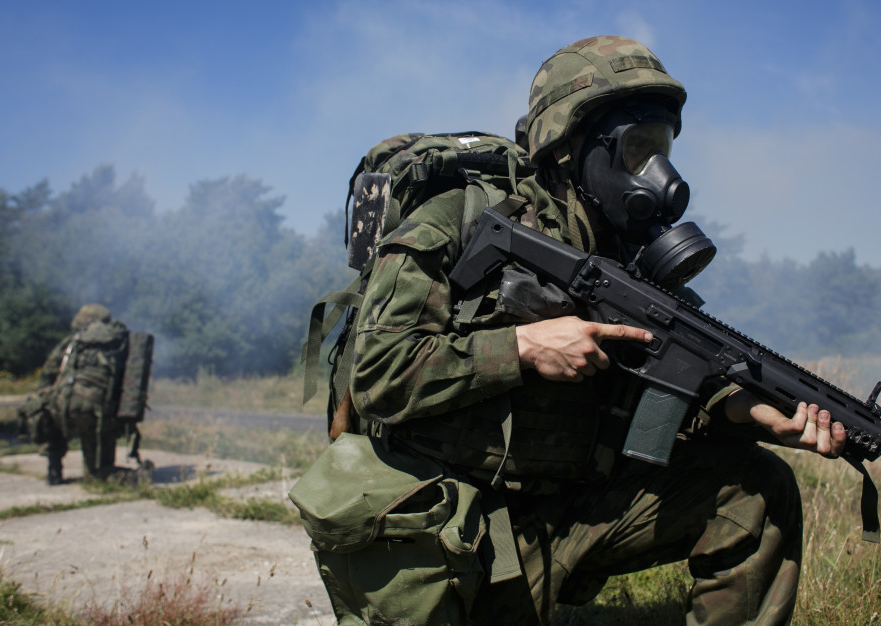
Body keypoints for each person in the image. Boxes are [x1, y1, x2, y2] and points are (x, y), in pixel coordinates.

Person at [318, 36, 846, 625]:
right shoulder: (460, 220)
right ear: (571, 150)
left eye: (663, 149)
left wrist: (745, 411)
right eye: (636, 149)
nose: (662, 176)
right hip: (449, 535)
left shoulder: (628, 260)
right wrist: (521, 348)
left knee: (757, 487)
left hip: (562, 521)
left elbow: (662, 393)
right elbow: (377, 376)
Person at [36, 303, 129, 485]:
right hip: (98, 415)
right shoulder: (117, 344)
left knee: (45, 405)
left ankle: (54, 467)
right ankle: (98, 472)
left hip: (63, 410)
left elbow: (46, 377)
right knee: (96, 474)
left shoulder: (72, 344)